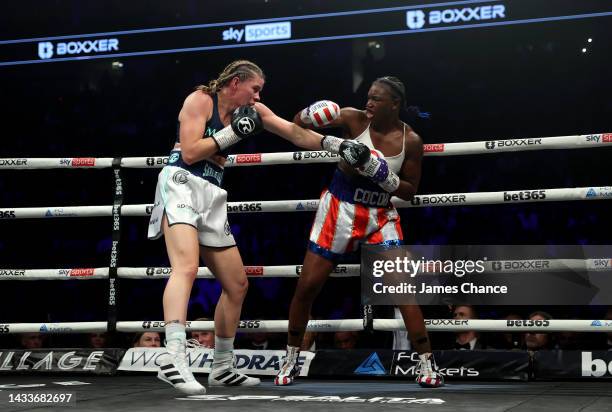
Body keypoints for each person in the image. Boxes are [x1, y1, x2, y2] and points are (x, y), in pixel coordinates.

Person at [147, 60, 361, 395]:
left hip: (212, 191)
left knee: (237, 284)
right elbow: (189, 152)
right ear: (234, 83)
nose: (258, 96)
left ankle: (221, 366)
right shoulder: (200, 100)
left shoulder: (254, 110)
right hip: (181, 183)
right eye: (255, 88)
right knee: (186, 267)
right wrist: (232, 132)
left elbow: (293, 132)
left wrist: (336, 146)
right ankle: (173, 356)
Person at [275, 76, 443, 388]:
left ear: (394, 105)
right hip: (340, 209)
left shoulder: (411, 141)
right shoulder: (353, 118)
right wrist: (311, 113)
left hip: (380, 215)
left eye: (377, 99)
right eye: (368, 96)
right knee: (307, 287)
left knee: (402, 290)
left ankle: (427, 364)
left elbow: (409, 191)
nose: (369, 103)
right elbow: (298, 125)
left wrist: (384, 177)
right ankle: (290, 358)